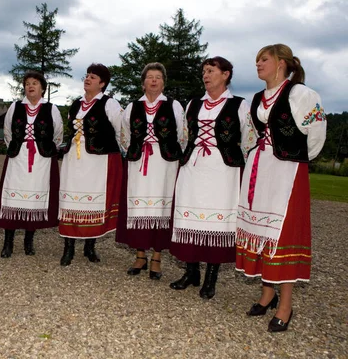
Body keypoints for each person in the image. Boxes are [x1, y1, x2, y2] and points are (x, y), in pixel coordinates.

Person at [236, 44, 326, 332]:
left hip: (286, 171)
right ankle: (267, 292)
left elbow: (316, 133)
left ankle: (285, 304)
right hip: (260, 170)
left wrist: (295, 158)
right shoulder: (257, 98)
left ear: (282, 63)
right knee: (261, 231)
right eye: (256, 60)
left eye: (264, 59)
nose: (258, 64)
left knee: (282, 234)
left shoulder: (301, 94)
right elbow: (248, 135)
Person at [169, 56, 255, 299]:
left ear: (225, 74)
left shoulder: (240, 104)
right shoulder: (194, 104)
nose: (205, 75)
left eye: (211, 71)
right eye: (204, 71)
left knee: (218, 222)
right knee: (191, 219)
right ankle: (191, 272)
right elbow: (184, 136)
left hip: (223, 169)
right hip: (194, 168)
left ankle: (211, 278)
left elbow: (249, 138)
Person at [116, 63, 186, 279]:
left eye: (158, 77)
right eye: (150, 77)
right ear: (143, 82)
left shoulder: (174, 106)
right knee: (138, 208)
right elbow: (123, 134)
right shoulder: (132, 106)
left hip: (164, 163)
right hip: (139, 163)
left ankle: (156, 257)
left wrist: (173, 154)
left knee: (161, 209)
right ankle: (139, 255)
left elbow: (183, 135)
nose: (154, 80)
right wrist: (133, 152)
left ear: (163, 82)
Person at [58, 63, 123, 266]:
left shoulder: (110, 104)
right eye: (86, 76)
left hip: (97, 160)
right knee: (71, 201)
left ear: (102, 83)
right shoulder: (76, 104)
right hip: (74, 159)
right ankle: (68, 247)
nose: (88, 79)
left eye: (93, 77)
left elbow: (121, 131)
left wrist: (120, 153)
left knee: (93, 201)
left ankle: (89, 246)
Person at [0, 71, 63, 257]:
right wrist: (19, 147)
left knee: (34, 200)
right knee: (12, 198)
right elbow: (8, 132)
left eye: (34, 83)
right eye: (27, 83)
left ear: (42, 88)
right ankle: (8, 242)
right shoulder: (15, 107)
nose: (30, 86)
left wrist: (43, 149)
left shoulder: (51, 109)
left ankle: (28, 241)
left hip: (41, 160)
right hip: (18, 159)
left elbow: (58, 135)